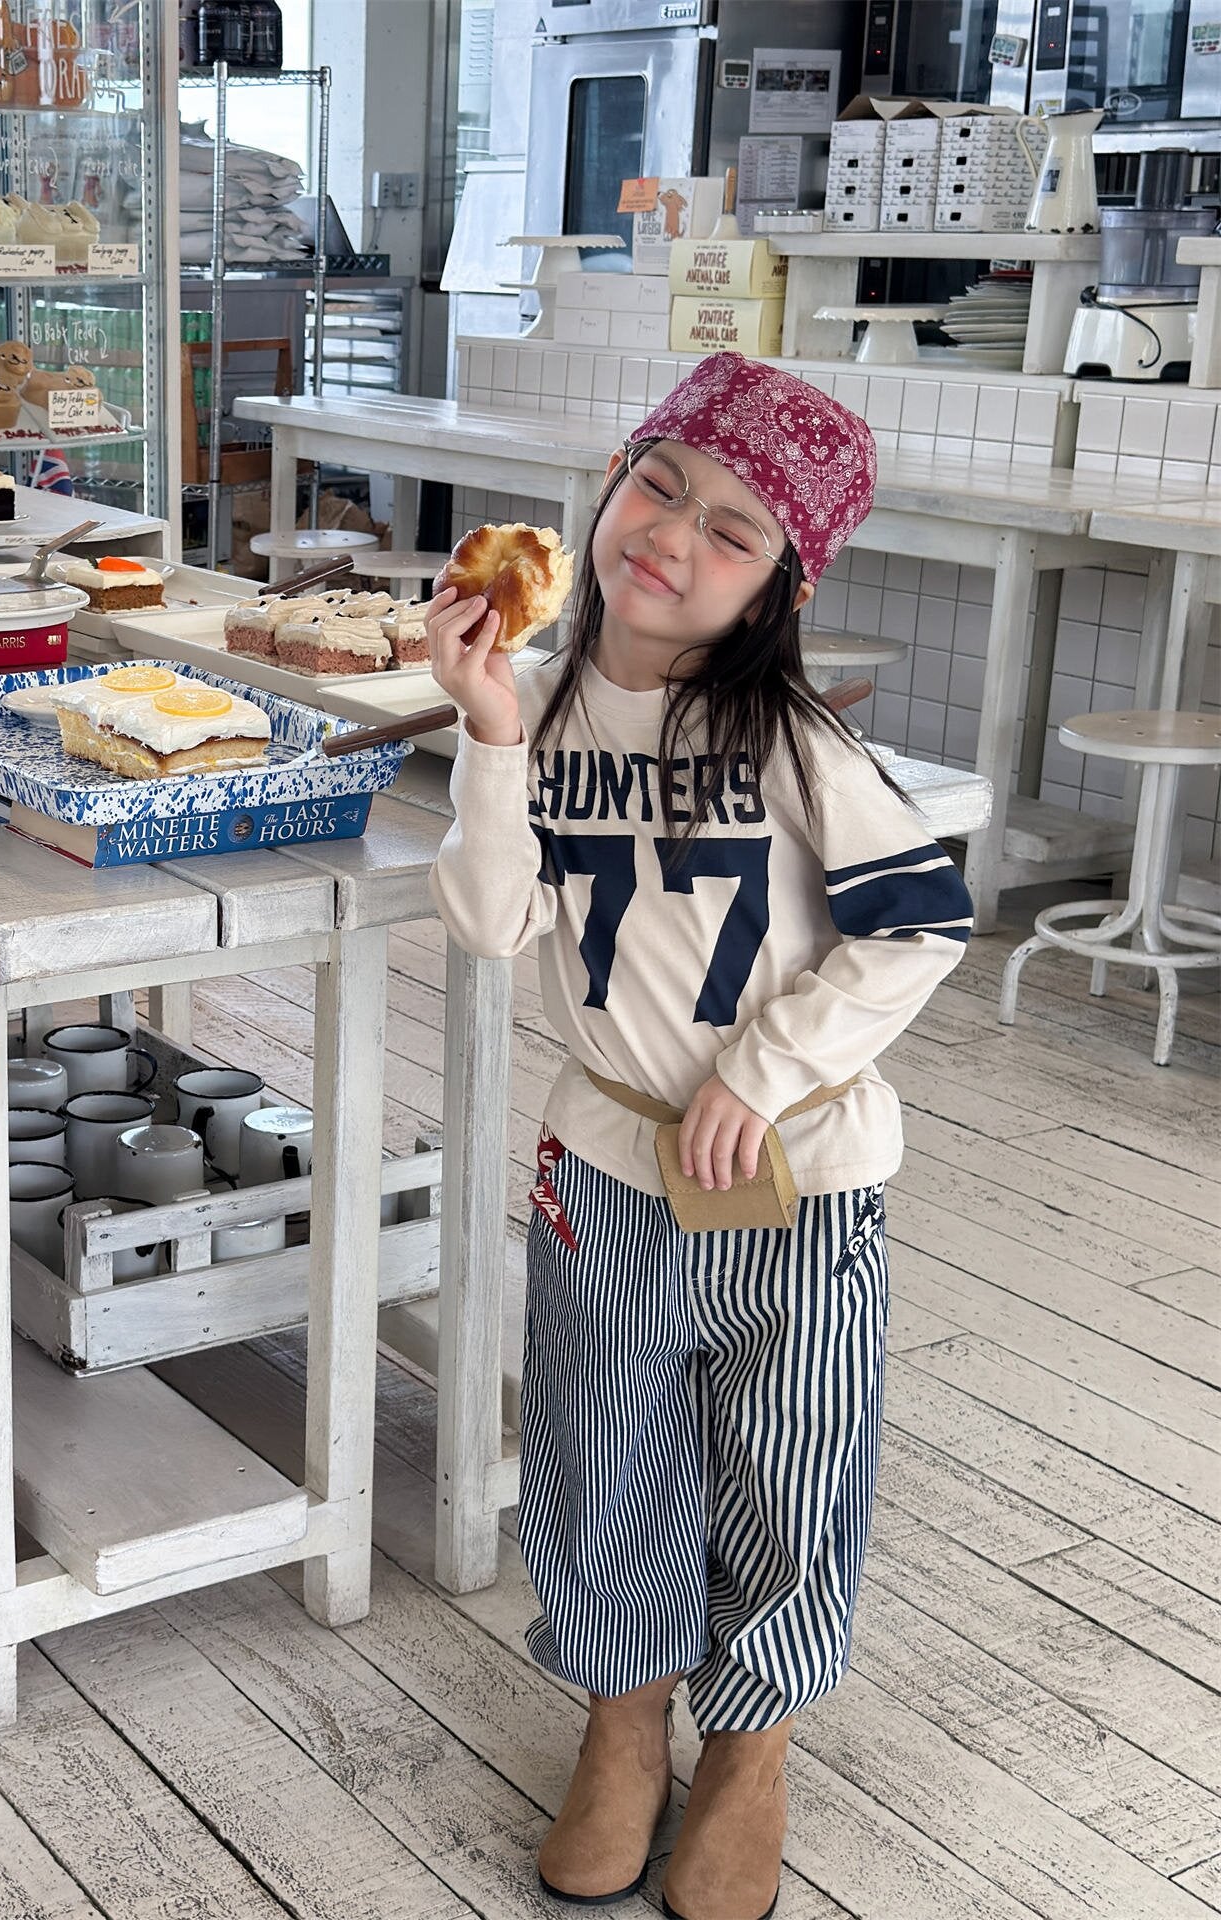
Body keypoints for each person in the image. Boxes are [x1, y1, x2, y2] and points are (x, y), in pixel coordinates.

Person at [426, 354, 972, 1920]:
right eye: (658, 485)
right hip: (607, 1165)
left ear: (777, 585)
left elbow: (920, 922)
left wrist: (765, 1073)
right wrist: (484, 730)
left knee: (790, 1465)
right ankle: (622, 1726)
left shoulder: (794, 744)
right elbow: (493, 922)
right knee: (600, 1452)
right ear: (612, 478)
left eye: (731, 530)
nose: (670, 536)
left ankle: (752, 1749)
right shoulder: (536, 705)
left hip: (796, 1185)